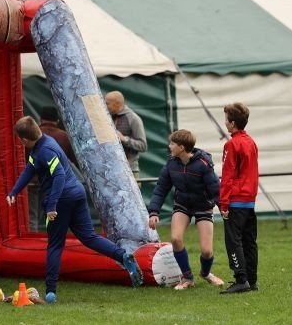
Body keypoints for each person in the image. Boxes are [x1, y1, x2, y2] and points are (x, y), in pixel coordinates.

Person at [6, 116, 143, 302]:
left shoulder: (45, 151)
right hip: (76, 192)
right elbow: (30, 169)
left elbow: (59, 176)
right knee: (89, 237)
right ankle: (124, 256)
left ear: (23, 140)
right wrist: (14, 191)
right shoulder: (43, 143)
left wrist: (52, 205)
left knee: (55, 245)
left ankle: (50, 292)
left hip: (61, 199)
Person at [147, 130, 225, 290]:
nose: (169, 146)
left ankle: (205, 273)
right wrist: (154, 212)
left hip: (203, 207)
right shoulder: (171, 164)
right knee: (175, 239)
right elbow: (161, 189)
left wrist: (223, 207)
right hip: (182, 206)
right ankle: (187, 277)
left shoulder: (203, 164)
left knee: (207, 251)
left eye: (172, 144)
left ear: (181, 147)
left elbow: (215, 189)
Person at [219, 102, 259, 295]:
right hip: (249, 199)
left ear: (232, 123)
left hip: (235, 199)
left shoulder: (231, 144)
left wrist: (224, 203)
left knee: (233, 241)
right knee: (249, 240)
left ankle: (240, 279)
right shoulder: (251, 142)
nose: (225, 122)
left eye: (226, 119)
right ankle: (252, 280)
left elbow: (228, 176)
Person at [104, 91, 147, 181]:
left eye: (107, 103)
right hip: (111, 170)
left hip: (130, 171)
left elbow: (143, 146)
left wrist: (124, 139)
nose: (104, 105)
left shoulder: (134, 119)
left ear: (117, 104)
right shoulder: (107, 117)